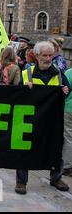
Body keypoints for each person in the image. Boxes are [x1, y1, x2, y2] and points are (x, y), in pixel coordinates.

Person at [16, 41, 70, 195]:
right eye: (44, 55)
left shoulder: (59, 73)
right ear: (37, 56)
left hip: (52, 119)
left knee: (55, 147)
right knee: (24, 148)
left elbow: (67, 89)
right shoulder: (27, 73)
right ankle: (21, 181)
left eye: (50, 55)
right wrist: (25, 90)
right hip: (30, 119)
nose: (47, 58)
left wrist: (65, 90)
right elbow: (17, 94)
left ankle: (56, 177)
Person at [64, 66, 72, 177]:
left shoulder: (69, 72)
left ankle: (67, 166)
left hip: (69, 108)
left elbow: (65, 91)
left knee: (68, 137)